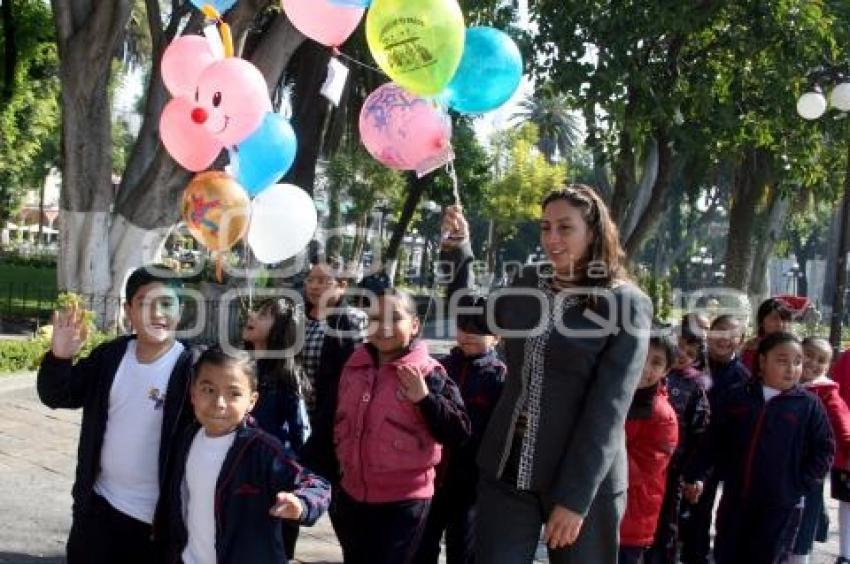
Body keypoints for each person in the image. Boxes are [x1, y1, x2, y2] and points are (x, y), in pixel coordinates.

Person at [440, 184, 653, 563]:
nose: (552, 239)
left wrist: (574, 499)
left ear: (594, 231)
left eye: (565, 227)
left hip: (581, 482)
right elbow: (471, 312)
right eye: (545, 227)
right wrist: (458, 250)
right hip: (507, 470)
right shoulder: (528, 282)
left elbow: (608, 410)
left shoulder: (626, 303)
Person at [37, 265, 197, 564]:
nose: (157, 313)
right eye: (145, 303)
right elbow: (57, 395)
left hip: (156, 525)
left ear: (181, 309)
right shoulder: (110, 356)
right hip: (98, 509)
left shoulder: (192, 369)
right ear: (128, 310)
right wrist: (60, 358)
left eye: (166, 303)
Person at [333, 287, 472, 564]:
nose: (383, 326)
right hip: (352, 496)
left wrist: (425, 399)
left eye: (394, 317)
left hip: (404, 503)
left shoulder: (429, 373)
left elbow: (459, 432)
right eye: (374, 318)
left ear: (415, 325)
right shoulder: (354, 366)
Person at [158, 347, 331, 563]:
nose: (219, 403)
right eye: (208, 390)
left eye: (234, 393)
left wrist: (301, 503)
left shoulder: (263, 450)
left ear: (252, 401)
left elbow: (317, 485)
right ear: (193, 394)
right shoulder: (187, 439)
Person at [683, 332, 834, 564]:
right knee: (728, 554)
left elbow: (824, 450)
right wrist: (695, 475)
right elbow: (713, 441)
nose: (791, 368)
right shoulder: (738, 397)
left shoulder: (808, 405)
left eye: (797, 361)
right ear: (762, 361)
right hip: (736, 499)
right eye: (782, 360)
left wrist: (798, 485)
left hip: (780, 506)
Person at [415, 300, 507, 564]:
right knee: (421, 546)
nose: (467, 334)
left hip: (472, 483)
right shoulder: (439, 367)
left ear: (496, 336)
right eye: (462, 326)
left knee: (464, 551)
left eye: (478, 329)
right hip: (432, 475)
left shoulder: (500, 377)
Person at [242, 298, 312, 558]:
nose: (252, 315)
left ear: (283, 329)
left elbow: (301, 437)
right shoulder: (238, 367)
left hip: (272, 483)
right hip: (237, 474)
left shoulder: (285, 379)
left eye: (264, 314)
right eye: (256, 310)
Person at [678, 314, 750, 564]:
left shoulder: (744, 379)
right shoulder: (689, 362)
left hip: (712, 462)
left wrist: (703, 471)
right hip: (678, 451)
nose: (725, 339)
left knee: (699, 520)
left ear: (741, 341)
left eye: (733, 335)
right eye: (720, 331)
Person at [646, 319, 710, 564]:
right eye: (679, 346)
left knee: (667, 524)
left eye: (690, 352)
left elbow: (700, 433)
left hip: (674, 468)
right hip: (643, 458)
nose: (683, 354)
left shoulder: (696, 385)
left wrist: (694, 474)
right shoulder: (653, 372)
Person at [300, 258, 368, 484]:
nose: (314, 286)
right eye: (310, 280)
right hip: (299, 419)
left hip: (334, 423)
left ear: (342, 285)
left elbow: (361, 375)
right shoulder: (296, 319)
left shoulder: (354, 320)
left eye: (323, 280)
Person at [618, 329, 679, 564]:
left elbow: (639, 471)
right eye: (641, 355)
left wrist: (610, 440)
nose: (645, 368)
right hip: (596, 513)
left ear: (666, 370)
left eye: (656, 362)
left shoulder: (662, 415)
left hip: (631, 520)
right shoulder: (610, 393)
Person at [791, 337, 850, 564]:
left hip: (811, 467)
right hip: (785, 462)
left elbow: (842, 421)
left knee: (805, 516)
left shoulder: (825, 391)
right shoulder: (787, 383)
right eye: (809, 355)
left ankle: (800, 556)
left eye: (821, 361)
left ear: (828, 367)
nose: (813, 364)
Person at [740, 297, 793, 372]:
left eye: (785, 319)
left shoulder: (796, 347)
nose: (780, 324)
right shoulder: (753, 349)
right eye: (774, 318)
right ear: (762, 322)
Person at [832, 346, 850, 564]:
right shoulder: (847, 358)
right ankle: (846, 554)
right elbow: (838, 402)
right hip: (848, 444)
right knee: (848, 502)